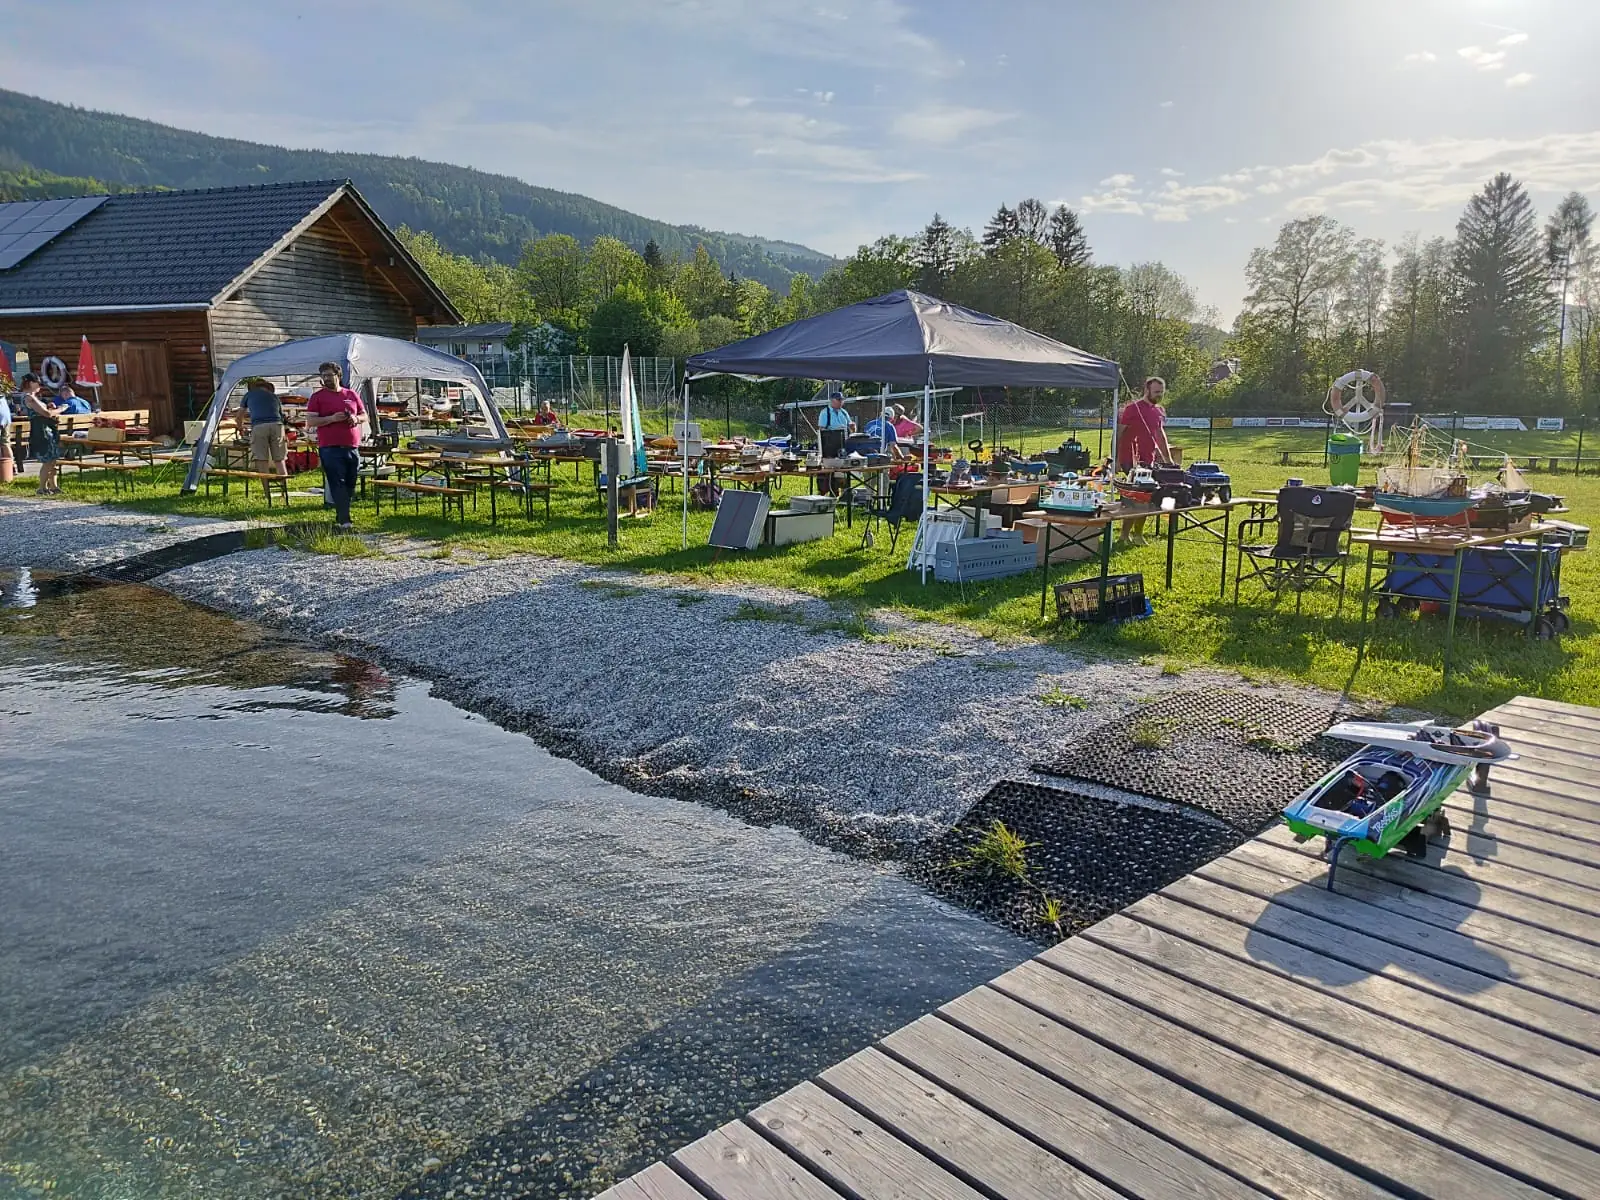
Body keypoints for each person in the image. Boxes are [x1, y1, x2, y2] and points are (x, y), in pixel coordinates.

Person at [304, 361, 365, 530]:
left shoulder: (351, 394)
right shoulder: (317, 397)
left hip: (351, 445)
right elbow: (311, 421)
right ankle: (345, 520)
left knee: (351, 483)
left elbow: (364, 415)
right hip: (330, 446)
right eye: (323, 376)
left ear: (338, 376)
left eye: (329, 375)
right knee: (337, 482)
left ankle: (341, 513)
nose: (326, 379)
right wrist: (331, 418)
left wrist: (355, 418)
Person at [1116, 376, 1173, 546]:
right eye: (1156, 392)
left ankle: (1136, 534)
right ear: (1147, 390)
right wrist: (1116, 460)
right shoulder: (1132, 409)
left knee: (1146, 499)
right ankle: (1125, 535)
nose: (1159, 395)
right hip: (1130, 459)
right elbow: (1119, 433)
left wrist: (1168, 460)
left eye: (1161, 392)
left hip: (1149, 460)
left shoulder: (1159, 411)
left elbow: (1160, 435)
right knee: (1137, 499)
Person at [22, 374, 65, 495]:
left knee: (53, 460)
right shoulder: (29, 397)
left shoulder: (34, 397)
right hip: (42, 431)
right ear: (31, 383)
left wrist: (51, 407)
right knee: (47, 460)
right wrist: (61, 409)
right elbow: (46, 414)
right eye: (38, 383)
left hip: (48, 429)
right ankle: (42, 488)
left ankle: (54, 486)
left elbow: (45, 410)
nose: (40, 386)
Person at [243, 378, 287, 477]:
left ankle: (266, 486)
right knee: (280, 459)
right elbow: (282, 417)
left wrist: (240, 427)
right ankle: (284, 484)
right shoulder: (274, 396)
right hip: (277, 425)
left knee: (262, 459)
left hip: (259, 427)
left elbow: (239, 415)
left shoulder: (249, 395)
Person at [815, 388, 854, 494]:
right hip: (829, 446)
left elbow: (851, 429)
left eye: (842, 400)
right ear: (832, 401)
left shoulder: (844, 413)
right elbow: (822, 430)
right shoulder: (825, 413)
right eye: (839, 400)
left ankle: (842, 492)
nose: (841, 402)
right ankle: (825, 491)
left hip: (843, 444)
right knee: (828, 471)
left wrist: (852, 428)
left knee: (843, 469)